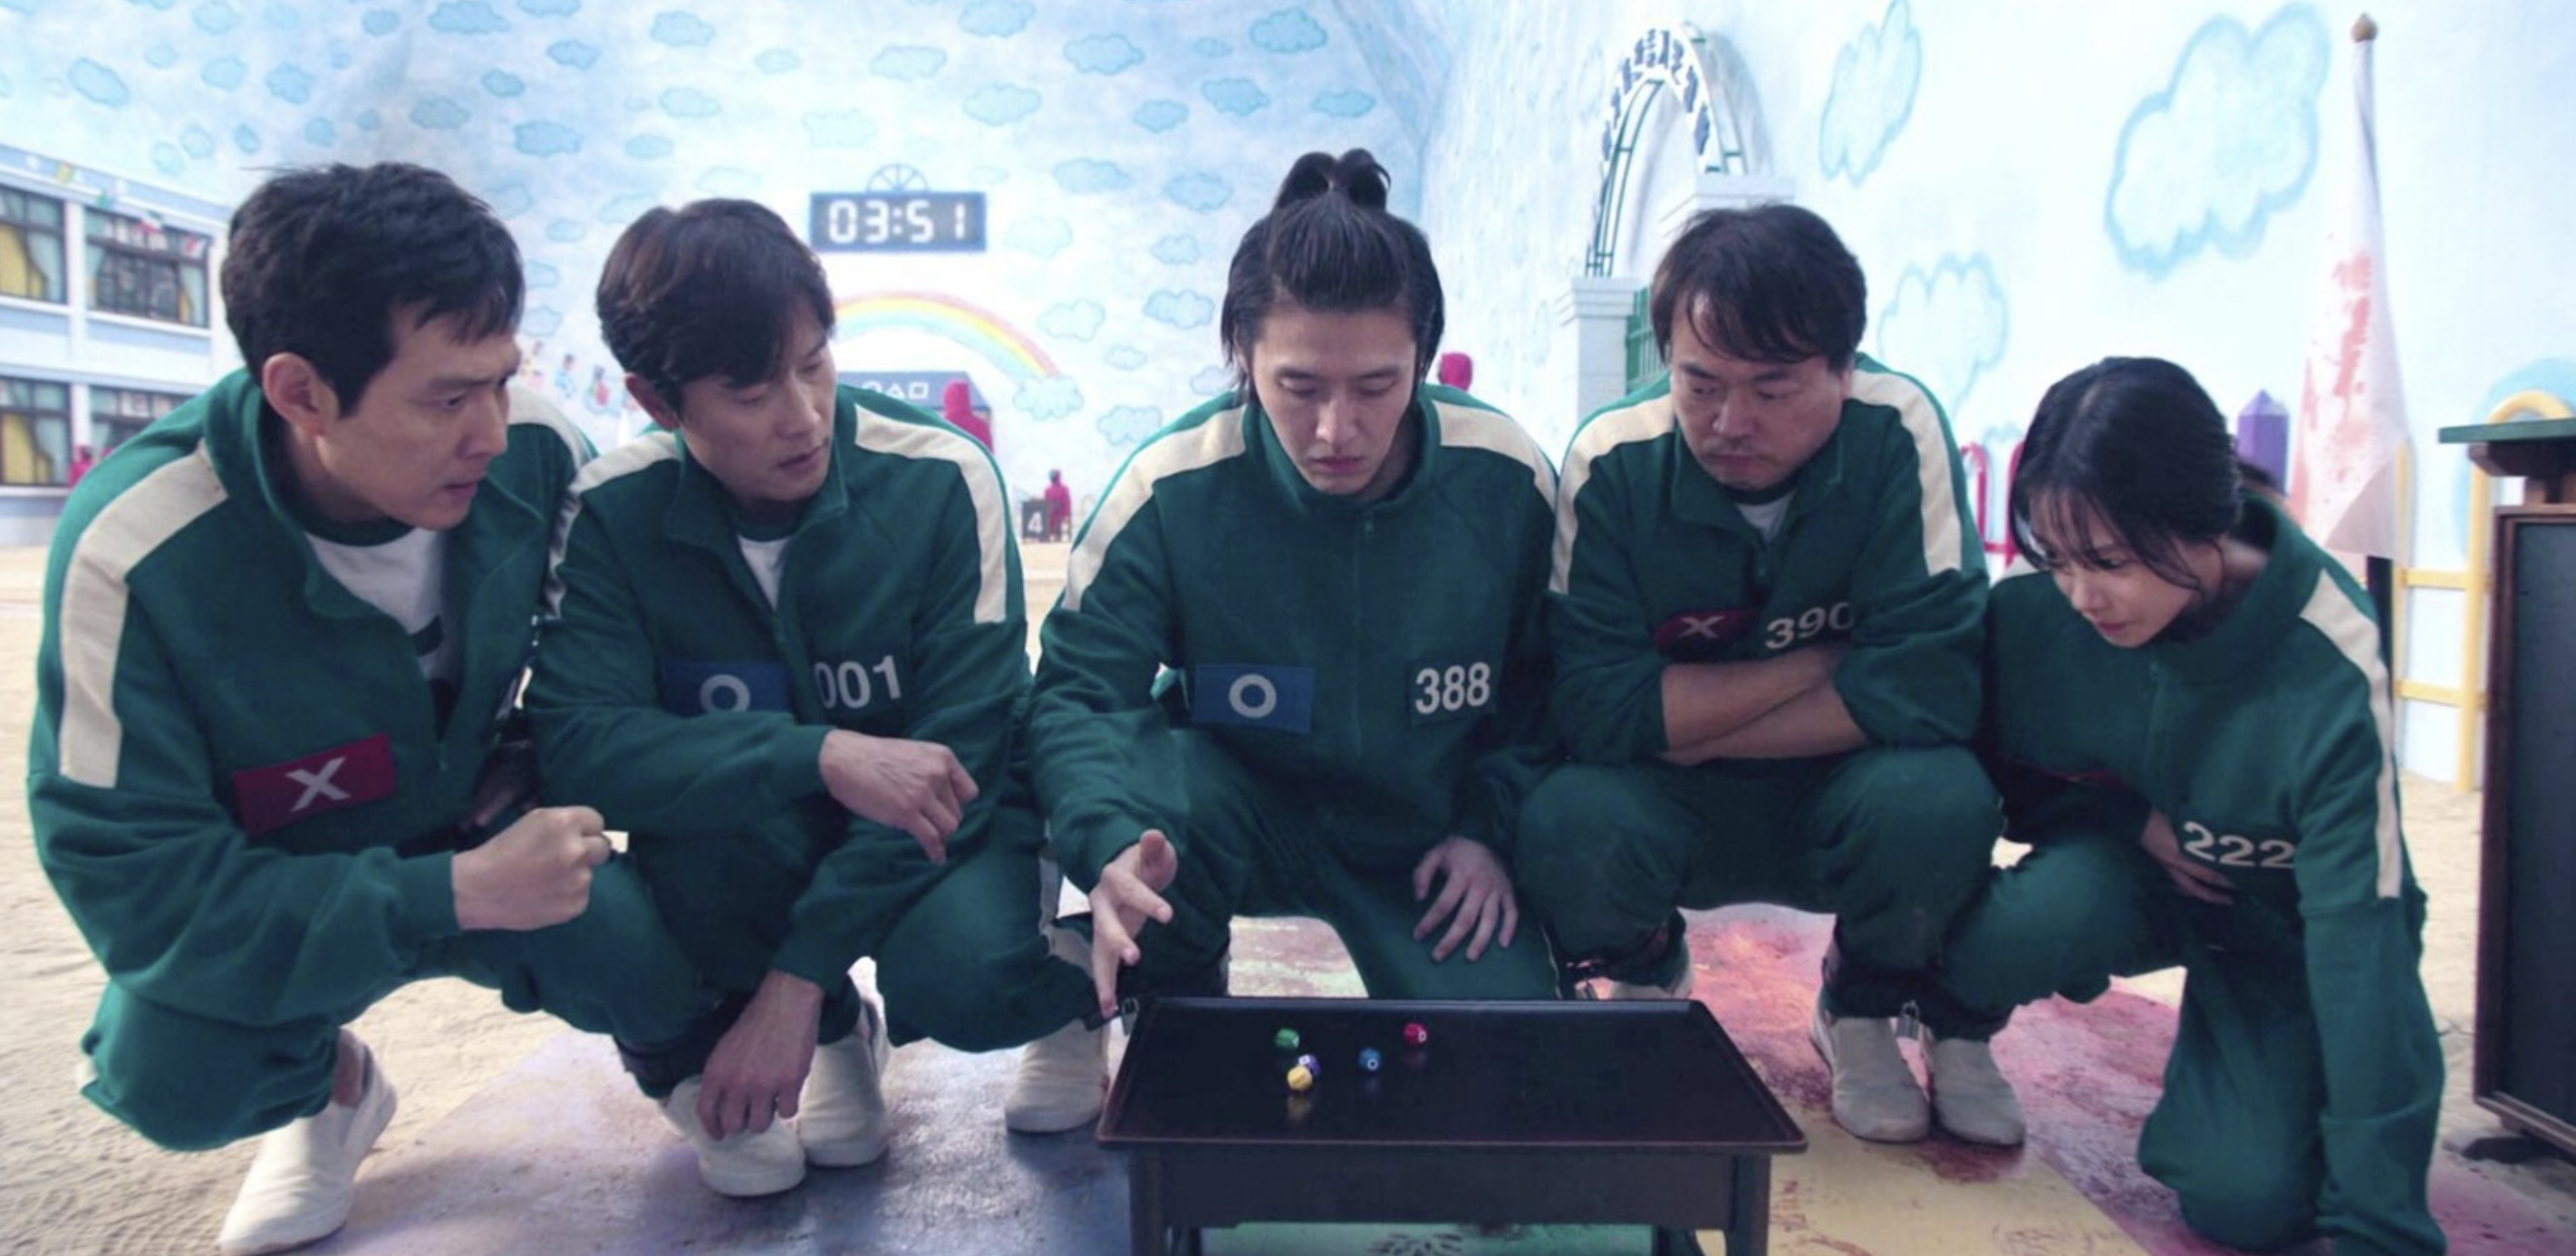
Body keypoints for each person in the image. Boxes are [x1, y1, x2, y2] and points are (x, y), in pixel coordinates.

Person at [27, 162, 719, 1256]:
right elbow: (142, 896)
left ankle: (684, 1059)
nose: (491, 433)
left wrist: (542, 758)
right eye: (446, 399)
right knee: (174, 1073)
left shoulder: (542, 451)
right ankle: (329, 1093)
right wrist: (452, 893)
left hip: (486, 819)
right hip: (294, 865)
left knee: (669, 943)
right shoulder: (140, 548)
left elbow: (639, 668)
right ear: (300, 392)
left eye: (501, 381)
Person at [526, 199, 1104, 1199]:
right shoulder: (612, 510)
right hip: (758, 832)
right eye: (750, 392)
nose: (800, 415)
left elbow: (962, 758)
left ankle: (1067, 997)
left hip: (944, 830)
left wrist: (789, 981)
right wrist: (818, 753)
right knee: (695, 871)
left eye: (813, 363)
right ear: (656, 400)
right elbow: (580, 748)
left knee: (963, 979)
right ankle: (841, 1030)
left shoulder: (938, 478)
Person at [1519, 203, 2021, 1145]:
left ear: (1844, 367)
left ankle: (1860, 1004)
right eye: (1698, 383)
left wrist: (1685, 724)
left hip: (1845, 788)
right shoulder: (1611, 460)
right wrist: (1823, 662)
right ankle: (1646, 968)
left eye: (1773, 389)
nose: (1729, 422)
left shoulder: (1897, 430)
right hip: (1675, 803)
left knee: (1942, 798)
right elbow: (1593, 709)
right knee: (1565, 819)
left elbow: (1932, 687)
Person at [1028, 149, 1563, 1016]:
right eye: (1299, 387)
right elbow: (1078, 693)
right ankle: (1175, 978)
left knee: (1499, 1054)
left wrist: (1486, 830)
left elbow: (1552, 685)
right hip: (1240, 819)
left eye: (1377, 386)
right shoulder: (1171, 487)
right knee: (1163, 816)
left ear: (1423, 356)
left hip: (1428, 846)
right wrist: (1107, 840)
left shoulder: (1504, 479)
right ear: (1244, 353)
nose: (1335, 430)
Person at [1939, 357, 2444, 1254]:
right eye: (2055, 559)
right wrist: (2126, 822)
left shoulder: (2325, 660)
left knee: (2246, 1204)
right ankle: (1949, 1025)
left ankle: (2238, 1083)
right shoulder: (2042, 615)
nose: (2081, 595)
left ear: (2204, 521)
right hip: (2136, 883)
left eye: (2107, 562)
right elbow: (1987, 768)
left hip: (2278, 928)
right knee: (2012, 928)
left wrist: (2378, 1231)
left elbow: (2359, 944)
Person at [1042, 468, 1074, 541]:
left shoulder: (1064, 489)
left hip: (1061, 512)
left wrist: (1066, 514)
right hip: (1051, 512)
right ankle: (1049, 534)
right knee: (1047, 516)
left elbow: (1067, 503)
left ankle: (1054, 534)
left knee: (1053, 518)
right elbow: (1046, 502)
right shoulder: (1048, 490)